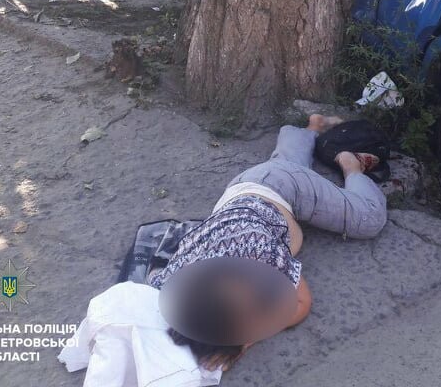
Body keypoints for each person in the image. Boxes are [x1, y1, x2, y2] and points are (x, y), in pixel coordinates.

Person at [148, 114, 388, 372]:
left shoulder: (262, 256)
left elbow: (299, 303)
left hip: (284, 187)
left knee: (369, 219)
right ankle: (311, 126)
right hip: (245, 185)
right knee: (285, 165)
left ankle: (350, 165)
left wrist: (247, 340)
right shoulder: (176, 280)